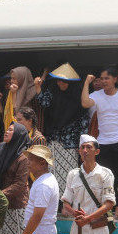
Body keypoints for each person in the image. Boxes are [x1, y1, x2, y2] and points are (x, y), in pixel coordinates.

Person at [81, 66, 118, 218]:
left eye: (107, 78)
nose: (104, 81)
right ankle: (104, 207)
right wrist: (86, 82)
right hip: (102, 142)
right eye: (102, 78)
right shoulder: (97, 95)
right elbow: (85, 103)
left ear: (114, 79)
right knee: (104, 175)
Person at [34, 62, 88, 193]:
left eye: (65, 81)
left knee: (70, 173)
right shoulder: (52, 90)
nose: (61, 84)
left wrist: (83, 144)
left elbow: (83, 122)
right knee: (53, 172)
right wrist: (37, 87)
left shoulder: (78, 95)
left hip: (70, 142)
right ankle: (55, 203)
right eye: (59, 81)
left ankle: (67, 203)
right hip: (53, 139)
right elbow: (44, 102)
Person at [3, 66, 37, 131]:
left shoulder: (34, 92)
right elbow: (11, 111)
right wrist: (14, 93)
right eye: (11, 78)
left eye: (14, 79)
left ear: (22, 78)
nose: (12, 81)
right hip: (16, 130)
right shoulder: (12, 91)